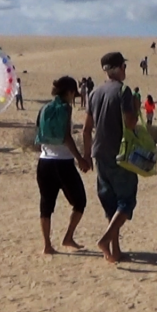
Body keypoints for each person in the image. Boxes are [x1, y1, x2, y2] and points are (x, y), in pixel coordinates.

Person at [81, 52, 139, 264]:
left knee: (110, 202)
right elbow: (130, 123)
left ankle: (115, 251)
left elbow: (86, 129)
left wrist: (86, 156)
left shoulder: (94, 92)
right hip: (120, 154)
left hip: (99, 153)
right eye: (124, 66)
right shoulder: (123, 91)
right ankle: (106, 240)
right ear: (120, 68)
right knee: (126, 201)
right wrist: (136, 106)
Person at [37, 76, 88, 255]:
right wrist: (80, 158)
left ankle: (47, 245)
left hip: (44, 161)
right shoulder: (65, 108)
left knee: (46, 205)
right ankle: (68, 236)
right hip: (63, 163)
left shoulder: (44, 108)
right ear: (69, 92)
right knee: (80, 201)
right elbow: (67, 137)